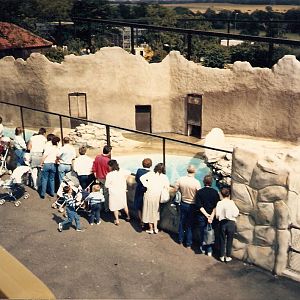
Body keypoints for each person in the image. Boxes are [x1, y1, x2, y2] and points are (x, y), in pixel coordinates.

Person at [174, 165, 201, 248]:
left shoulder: (181, 179)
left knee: (182, 222)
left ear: (187, 170)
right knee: (189, 225)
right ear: (194, 171)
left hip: (183, 203)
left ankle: (180, 240)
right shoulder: (196, 182)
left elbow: (175, 189)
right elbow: (199, 194)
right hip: (192, 205)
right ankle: (188, 243)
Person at [140, 163, 170, 234]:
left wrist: (147, 185)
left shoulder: (150, 174)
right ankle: (155, 229)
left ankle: (151, 229)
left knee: (149, 212)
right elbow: (167, 187)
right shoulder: (164, 177)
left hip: (149, 194)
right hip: (157, 196)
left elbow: (141, 178)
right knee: (155, 212)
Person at [194, 174, 220, 256]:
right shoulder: (215, 192)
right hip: (211, 217)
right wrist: (211, 216)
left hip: (202, 216)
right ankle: (210, 250)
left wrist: (206, 215)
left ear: (203, 182)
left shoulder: (199, 192)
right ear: (211, 182)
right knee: (210, 232)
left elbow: (199, 206)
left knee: (202, 232)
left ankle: (203, 247)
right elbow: (216, 206)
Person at [216, 188, 239, 262]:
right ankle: (228, 256)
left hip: (222, 223)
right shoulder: (232, 202)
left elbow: (217, 215)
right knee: (230, 240)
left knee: (222, 239)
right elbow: (236, 213)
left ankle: (221, 256)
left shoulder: (219, 203)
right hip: (231, 223)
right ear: (229, 194)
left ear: (222, 195)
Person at [105, 159, 130, 225]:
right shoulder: (122, 171)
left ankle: (117, 220)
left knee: (115, 206)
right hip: (122, 191)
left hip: (114, 192)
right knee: (125, 204)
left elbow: (106, 185)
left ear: (111, 166)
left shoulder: (109, 175)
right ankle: (128, 216)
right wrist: (125, 178)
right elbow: (129, 172)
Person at [134, 158, 152, 228]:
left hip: (139, 190)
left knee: (139, 206)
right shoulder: (152, 173)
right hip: (147, 191)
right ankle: (147, 221)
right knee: (146, 206)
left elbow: (136, 179)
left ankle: (142, 222)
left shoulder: (139, 171)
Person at [92, 145, 112, 211]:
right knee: (106, 194)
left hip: (98, 177)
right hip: (105, 179)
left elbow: (94, 168)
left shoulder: (97, 157)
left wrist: (96, 176)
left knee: (99, 192)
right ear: (109, 152)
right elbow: (110, 171)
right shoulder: (108, 160)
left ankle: (99, 206)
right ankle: (106, 208)